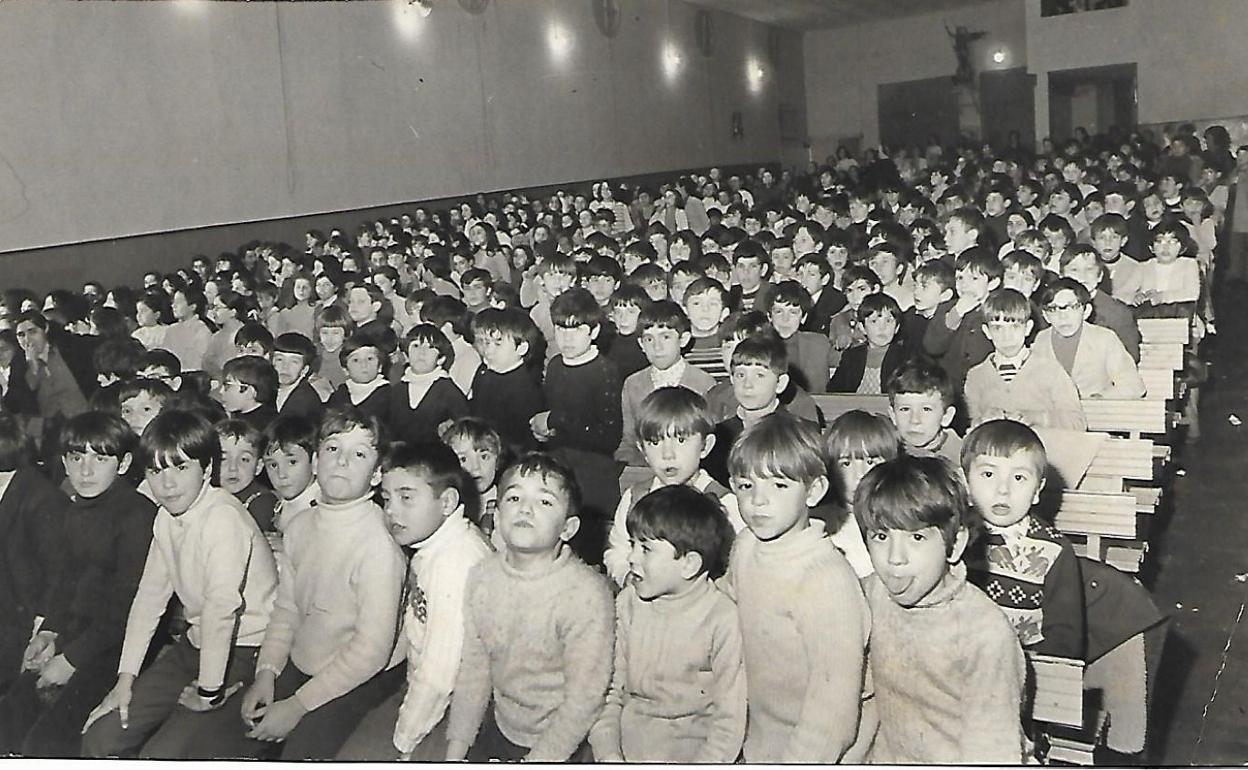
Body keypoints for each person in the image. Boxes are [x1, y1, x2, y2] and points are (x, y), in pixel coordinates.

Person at [80, 410, 279, 759]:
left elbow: (221, 612)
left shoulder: (222, 518)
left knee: (162, 755)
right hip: (195, 644)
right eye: (156, 471)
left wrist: (209, 692)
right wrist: (125, 680)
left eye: (181, 467)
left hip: (245, 651)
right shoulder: (166, 517)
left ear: (206, 469)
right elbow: (149, 599)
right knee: (101, 735)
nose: (167, 484)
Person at [219, 407, 408, 760]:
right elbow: (287, 609)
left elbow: (370, 652)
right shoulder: (302, 526)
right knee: (240, 736)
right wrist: (267, 673)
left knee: (301, 752)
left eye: (360, 454)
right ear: (317, 460)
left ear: (378, 473)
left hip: (366, 671)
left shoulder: (380, 544)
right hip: (312, 653)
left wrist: (297, 706)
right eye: (333, 449)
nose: (342, 462)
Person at [0, 412, 157, 757]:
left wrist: (71, 660)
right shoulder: (77, 508)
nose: (85, 470)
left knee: (47, 742)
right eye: (76, 458)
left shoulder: (138, 516)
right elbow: (65, 583)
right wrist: (49, 633)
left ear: (124, 462)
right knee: (8, 719)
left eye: (99, 458)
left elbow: (124, 608)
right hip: (77, 637)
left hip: (119, 648)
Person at [721, 413, 877, 762]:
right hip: (761, 738)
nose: (758, 501)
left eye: (779, 485)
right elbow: (725, 605)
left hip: (820, 751)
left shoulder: (825, 579)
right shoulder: (747, 544)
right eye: (747, 485)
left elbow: (831, 715)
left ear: (814, 491)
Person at [854, 455, 1025, 764]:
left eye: (916, 537)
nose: (895, 558)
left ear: (956, 544)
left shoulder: (984, 633)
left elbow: (993, 750)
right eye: (881, 536)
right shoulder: (870, 595)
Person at [445, 453, 613, 762]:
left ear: (568, 528)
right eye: (514, 497)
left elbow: (584, 700)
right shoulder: (482, 576)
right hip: (502, 725)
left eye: (545, 502)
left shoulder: (585, 594)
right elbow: (474, 668)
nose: (525, 508)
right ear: (496, 516)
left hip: (565, 740)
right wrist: (456, 750)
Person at [336, 441, 493, 761]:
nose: (392, 510)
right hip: (427, 692)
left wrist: (403, 742)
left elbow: (439, 673)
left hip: (458, 707)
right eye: (387, 498)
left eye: (406, 498)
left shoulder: (455, 563)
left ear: (447, 501)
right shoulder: (433, 546)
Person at [590, 485, 745, 762]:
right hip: (626, 750)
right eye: (632, 545)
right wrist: (609, 755)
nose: (632, 558)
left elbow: (728, 721)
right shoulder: (627, 604)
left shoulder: (722, 619)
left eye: (646, 549)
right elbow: (609, 694)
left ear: (689, 564)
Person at [961, 419, 1086, 660]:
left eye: (1019, 478)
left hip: (1028, 666)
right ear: (966, 482)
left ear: (1038, 490)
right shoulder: (952, 537)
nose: (1003, 489)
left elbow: (1066, 639)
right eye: (988, 474)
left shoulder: (1055, 550)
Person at [603, 387, 741, 586]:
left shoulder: (724, 502)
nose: (668, 454)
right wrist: (627, 576)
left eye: (681, 439)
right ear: (642, 449)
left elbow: (738, 563)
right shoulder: (636, 497)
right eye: (655, 442)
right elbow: (618, 550)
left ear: (705, 446)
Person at [533, 288, 624, 564]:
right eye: (560, 329)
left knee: (588, 555)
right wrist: (543, 431)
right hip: (561, 468)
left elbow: (607, 436)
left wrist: (555, 421)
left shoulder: (605, 371)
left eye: (576, 329)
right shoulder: (557, 366)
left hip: (593, 476)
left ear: (594, 331)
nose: (567, 338)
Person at [964, 289, 1086, 431]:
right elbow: (970, 427)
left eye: (1014, 327)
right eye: (997, 328)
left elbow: (1078, 423)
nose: (1006, 336)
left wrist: (1038, 418)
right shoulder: (976, 376)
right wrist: (982, 420)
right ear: (987, 332)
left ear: (1028, 328)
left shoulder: (1050, 370)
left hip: (1044, 448)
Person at [615, 301, 715, 465]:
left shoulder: (704, 383)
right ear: (641, 344)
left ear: (683, 340)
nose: (657, 346)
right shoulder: (633, 384)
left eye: (666, 337)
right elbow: (628, 442)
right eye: (649, 339)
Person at [1032, 278, 1146, 399]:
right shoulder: (1042, 340)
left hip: (1094, 413)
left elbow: (1134, 386)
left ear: (1086, 311)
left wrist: (1100, 397)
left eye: (1072, 306)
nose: (1063, 316)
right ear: (1046, 316)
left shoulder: (1105, 339)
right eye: (1053, 309)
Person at [467, 308, 545, 454]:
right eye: (484, 342)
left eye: (497, 344)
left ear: (521, 348)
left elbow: (524, 444)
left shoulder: (526, 389)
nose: (487, 350)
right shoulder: (483, 372)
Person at [923, 246, 1002, 389]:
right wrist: (956, 313)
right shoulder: (946, 308)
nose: (964, 284)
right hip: (951, 387)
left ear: (993, 283)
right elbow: (932, 346)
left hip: (987, 385)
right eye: (959, 277)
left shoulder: (999, 309)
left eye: (974, 278)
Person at [886, 356, 962, 465]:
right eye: (905, 409)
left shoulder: (962, 459)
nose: (914, 420)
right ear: (893, 415)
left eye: (926, 409)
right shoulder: (886, 453)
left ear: (946, 416)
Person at [441, 417, 507, 540]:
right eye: (463, 459)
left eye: (484, 456)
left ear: (497, 460)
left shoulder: (507, 506)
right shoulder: (445, 509)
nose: (475, 467)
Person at [827, 293, 907, 394]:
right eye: (874, 321)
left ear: (897, 327)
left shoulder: (905, 357)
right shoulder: (852, 356)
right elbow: (834, 392)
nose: (882, 328)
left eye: (888, 321)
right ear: (862, 327)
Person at [260, 414, 320, 540]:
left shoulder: (321, 511)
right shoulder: (280, 504)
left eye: (292, 462)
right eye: (273, 465)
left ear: (315, 462)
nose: (281, 474)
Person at [215, 418, 280, 534]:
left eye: (244, 459)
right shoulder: (210, 495)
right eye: (223, 459)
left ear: (258, 466)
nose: (233, 467)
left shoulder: (262, 502)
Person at [767, 281, 833, 394]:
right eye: (778, 311)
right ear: (769, 316)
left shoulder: (819, 344)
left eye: (793, 312)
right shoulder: (757, 346)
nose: (785, 319)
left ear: (803, 317)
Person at [326, 332, 394, 423]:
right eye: (355, 360)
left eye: (370, 359)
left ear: (380, 366)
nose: (363, 365)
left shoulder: (390, 396)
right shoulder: (338, 396)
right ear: (345, 369)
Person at [271, 333, 325, 421]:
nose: (285, 366)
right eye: (279, 359)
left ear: (304, 370)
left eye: (294, 362)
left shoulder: (304, 402)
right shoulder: (268, 390)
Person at [219, 355, 278, 435]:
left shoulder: (269, 428)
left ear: (250, 392)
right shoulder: (230, 416)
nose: (221, 391)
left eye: (227, 385)